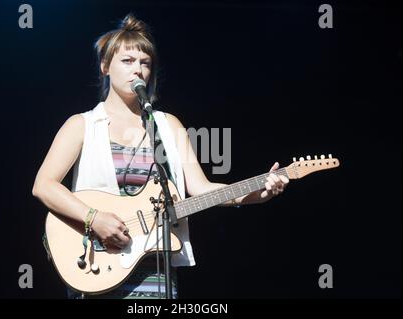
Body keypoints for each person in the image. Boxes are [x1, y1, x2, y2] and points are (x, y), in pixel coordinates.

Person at [32, 13, 289, 299]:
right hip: (98, 264)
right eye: (127, 61)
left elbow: (202, 189)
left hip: (154, 271)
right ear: (105, 66)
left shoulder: (167, 126)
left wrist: (257, 193)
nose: (137, 70)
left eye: (145, 63)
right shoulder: (81, 125)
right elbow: (44, 185)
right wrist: (95, 218)